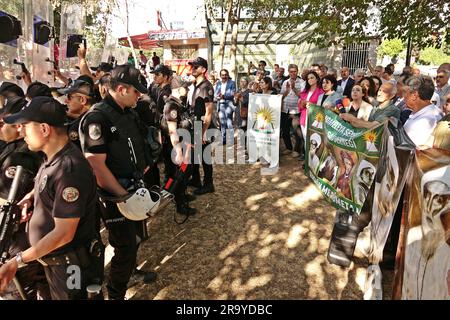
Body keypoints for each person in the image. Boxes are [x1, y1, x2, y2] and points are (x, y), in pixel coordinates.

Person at [0, 96, 102, 300]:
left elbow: (64, 233)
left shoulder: (70, 169)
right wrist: (30, 198)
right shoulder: (52, 158)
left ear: (45, 129)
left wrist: (17, 261)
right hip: (56, 264)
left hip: (70, 267)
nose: (21, 131)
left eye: (25, 126)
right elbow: (46, 184)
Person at [79, 65, 155, 300]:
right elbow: (96, 164)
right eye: (135, 91)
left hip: (133, 188)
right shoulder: (97, 117)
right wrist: (123, 195)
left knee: (136, 238)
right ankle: (115, 294)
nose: (139, 95)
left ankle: (130, 273)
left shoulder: (127, 111)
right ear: (121, 89)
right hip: (114, 196)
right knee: (124, 247)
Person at [0, 97, 48, 300]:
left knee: (18, 290)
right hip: (32, 235)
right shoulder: (17, 150)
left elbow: (7, 201)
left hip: (19, 236)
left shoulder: (19, 157)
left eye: (3, 123)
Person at [160, 79, 197, 216]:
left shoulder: (178, 104)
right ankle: (180, 204)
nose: (187, 90)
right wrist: (178, 152)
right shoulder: (171, 106)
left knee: (183, 174)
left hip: (183, 146)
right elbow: (172, 131)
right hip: (175, 148)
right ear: (178, 89)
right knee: (177, 176)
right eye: (185, 87)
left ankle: (180, 195)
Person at [186, 57, 215, 195]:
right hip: (195, 125)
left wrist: (204, 131)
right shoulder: (195, 85)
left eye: (196, 67)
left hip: (204, 126)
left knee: (205, 157)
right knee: (195, 155)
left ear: (203, 69)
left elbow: (209, 112)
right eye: (192, 66)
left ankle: (209, 184)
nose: (193, 69)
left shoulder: (206, 87)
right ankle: (196, 179)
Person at [403, 76, 443, 148]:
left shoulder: (428, 120)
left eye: (405, 93)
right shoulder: (422, 112)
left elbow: (413, 152)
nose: (404, 97)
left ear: (414, 95)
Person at [57, 79, 94, 150]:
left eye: (69, 97)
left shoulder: (78, 127)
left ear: (82, 100)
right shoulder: (99, 112)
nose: (66, 101)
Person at [280, 64, 304, 158]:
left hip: (296, 110)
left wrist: (293, 89)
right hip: (285, 109)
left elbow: (302, 97)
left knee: (296, 132)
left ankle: (297, 150)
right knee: (285, 131)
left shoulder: (302, 82)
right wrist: (287, 90)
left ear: (297, 71)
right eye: (291, 71)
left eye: (295, 71)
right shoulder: (285, 82)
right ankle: (288, 148)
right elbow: (281, 96)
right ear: (288, 72)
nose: (293, 73)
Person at [214, 69, 236, 145]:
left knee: (229, 122)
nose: (224, 76)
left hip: (229, 104)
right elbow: (215, 94)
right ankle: (223, 139)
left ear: (228, 75)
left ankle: (231, 139)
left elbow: (233, 94)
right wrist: (217, 96)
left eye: (225, 75)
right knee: (222, 123)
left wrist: (224, 96)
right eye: (222, 75)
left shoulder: (232, 83)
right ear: (220, 76)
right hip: (220, 104)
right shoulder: (218, 83)